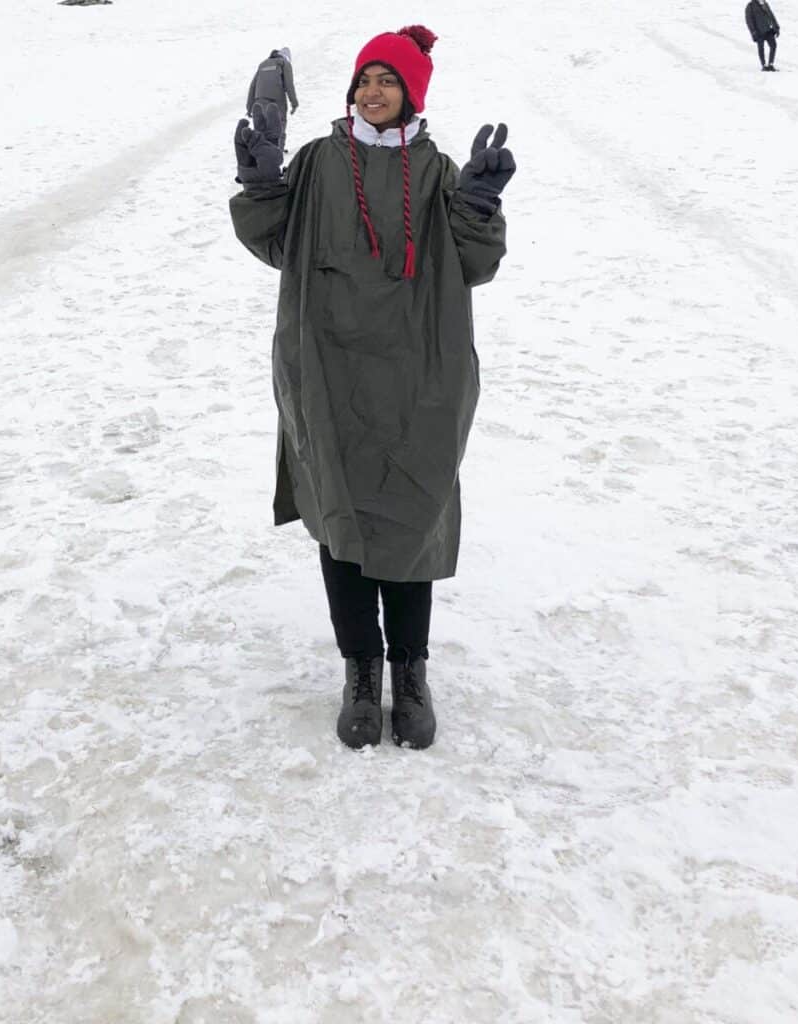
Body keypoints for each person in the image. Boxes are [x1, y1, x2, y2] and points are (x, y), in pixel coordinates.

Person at [229, 26, 514, 750]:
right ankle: (361, 670)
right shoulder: (323, 161)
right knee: (343, 523)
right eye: (364, 79)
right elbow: (274, 243)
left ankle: (409, 670)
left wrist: (478, 205)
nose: (373, 91)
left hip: (420, 373)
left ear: (412, 93)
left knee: (411, 520)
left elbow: (475, 266)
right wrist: (261, 183)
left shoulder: (440, 170)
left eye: (388, 80)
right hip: (327, 367)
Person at [246, 47, 298, 151]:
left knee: (262, 124)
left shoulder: (262, 64)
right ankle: (278, 150)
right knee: (279, 122)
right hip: (277, 98)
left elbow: (253, 86)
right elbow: (289, 85)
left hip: (259, 99)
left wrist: (249, 107)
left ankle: (261, 150)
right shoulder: (284, 63)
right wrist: (294, 103)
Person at [745, 0, 781, 71]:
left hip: (768, 30)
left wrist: (776, 27)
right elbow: (749, 20)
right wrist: (753, 32)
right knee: (761, 48)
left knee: (773, 45)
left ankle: (770, 64)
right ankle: (764, 65)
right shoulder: (750, 6)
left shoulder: (765, 4)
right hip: (758, 32)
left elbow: (771, 16)